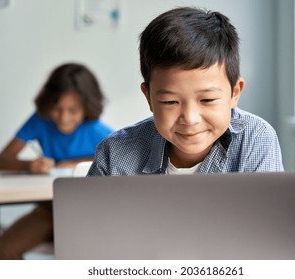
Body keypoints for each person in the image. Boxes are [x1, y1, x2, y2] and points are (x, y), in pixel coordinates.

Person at [88, 7, 283, 178]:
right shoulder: (114, 153)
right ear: (148, 97)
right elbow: (90, 219)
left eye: (207, 99)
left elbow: (269, 218)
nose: (190, 119)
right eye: (170, 102)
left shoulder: (256, 138)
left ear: (234, 93)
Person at [0, 62, 113, 259]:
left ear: (87, 107)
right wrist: (29, 165)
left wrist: (77, 163)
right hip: (48, 211)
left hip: (89, 214)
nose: (64, 118)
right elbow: (1, 160)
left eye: (73, 110)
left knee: (82, 254)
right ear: (48, 104)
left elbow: (125, 161)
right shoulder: (40, 120)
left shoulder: (97, 130)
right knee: (4, 248)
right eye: (57, 109)